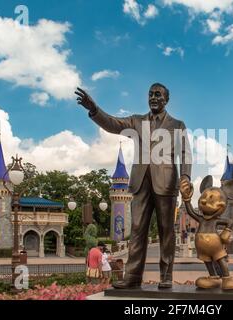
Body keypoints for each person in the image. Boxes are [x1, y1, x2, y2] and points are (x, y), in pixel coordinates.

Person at [76, 84, 192, 289]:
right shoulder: (136, 121)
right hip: (140, 183)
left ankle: (166, 276)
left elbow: (185, 153)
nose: (153, 98)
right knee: (137, 229)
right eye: (150, 94)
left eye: (158, 95)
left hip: (166, 182)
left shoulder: (177, 125)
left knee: (167, 230)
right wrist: (94, 110)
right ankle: (132, 276)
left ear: (166, 99)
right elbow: (113, 124)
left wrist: (185, 176)